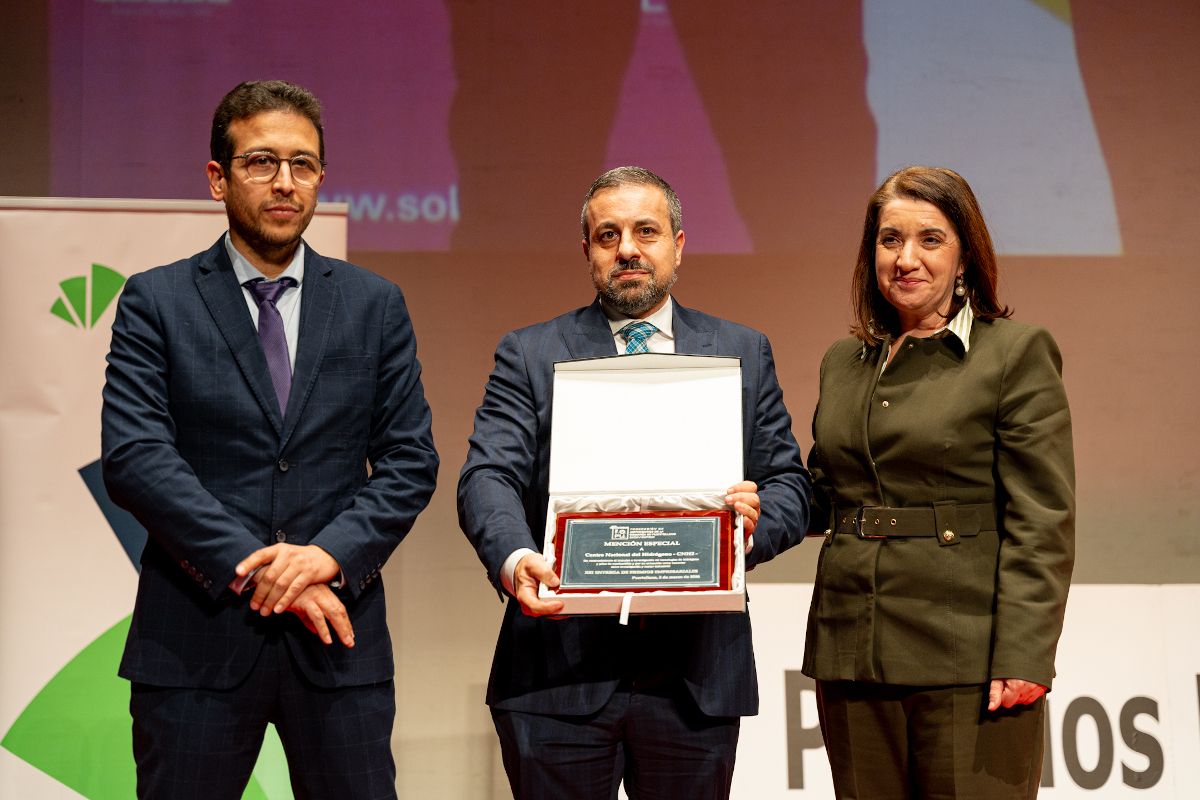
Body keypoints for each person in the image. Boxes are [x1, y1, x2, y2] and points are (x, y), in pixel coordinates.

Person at [101, 81, 439, 800]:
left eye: (302, 164)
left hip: (337, 639)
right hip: (196, 639)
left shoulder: (374, 304)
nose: (285, 182)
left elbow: (410, 461)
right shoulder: (156, 300)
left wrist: (326, 557)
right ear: (217, 178)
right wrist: (259, 570)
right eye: (261, 162)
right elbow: (136, 458)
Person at [458, 166, 811, 799]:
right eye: (608, 235)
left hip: (694, 677)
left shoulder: (742, 350)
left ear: (679, 243)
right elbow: (488, 475)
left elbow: (789, 482)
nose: (627, 249)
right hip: (556, 671)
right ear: (587, 251)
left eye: (646, 231)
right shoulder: (530, 353)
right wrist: (515, 559)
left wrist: (744, 532)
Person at [802, 166, 1075, 798]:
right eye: (889, 240)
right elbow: (825, 490)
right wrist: (750, 501)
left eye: (930, 239)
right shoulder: (844, 362)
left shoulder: (1015, 353)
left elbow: (1042, 519)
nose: (906, 259)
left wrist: (1024, 654)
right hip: (851, 651)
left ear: (965, 256)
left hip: (970, 658)